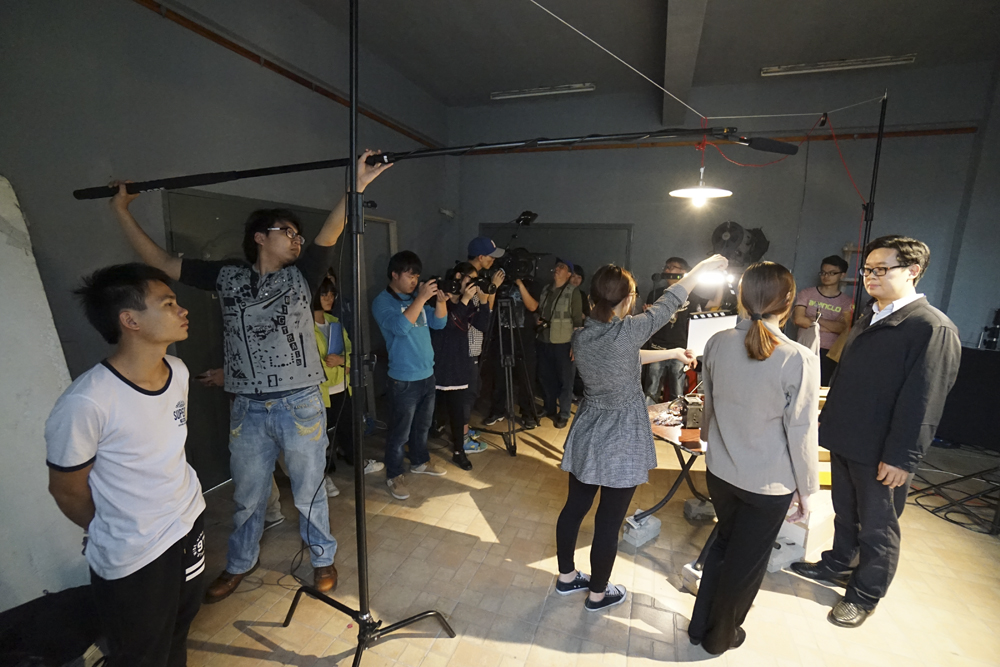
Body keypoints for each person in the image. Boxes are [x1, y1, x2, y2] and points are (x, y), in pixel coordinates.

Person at [109, 151, 390, 602]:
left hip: (299, 403)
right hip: (248, 408)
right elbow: (161, 262)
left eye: (299, 235)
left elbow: (330, 230)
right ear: (260, 237)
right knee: (248, 494)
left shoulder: (303, 276)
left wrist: (356, 185)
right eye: (287, 232)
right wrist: (122, 210)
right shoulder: (227, 277)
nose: (297, 240)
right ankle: (240, 561)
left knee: (310, 490)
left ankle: (322, 557)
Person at [791, 235, 961, 628]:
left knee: (878, 527)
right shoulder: (871, 316)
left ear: (913, 271)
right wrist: (828, 420)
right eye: (868, 269)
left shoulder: (930, 327)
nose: (870, 276)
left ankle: (865, 594)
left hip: (882, 450)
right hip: (847, 437)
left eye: (881, 269)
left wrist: (903, 458)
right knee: (846, 512)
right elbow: (848, 377)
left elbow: (924, 401)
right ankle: (838, 564)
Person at [46, 264, 206, 666]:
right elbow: (67, 490)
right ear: (130, 320)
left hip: (188, 523)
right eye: (167, 303)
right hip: (135, 554)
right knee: (140, 654)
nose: (182, 310)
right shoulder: (87, 402)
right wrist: (112, 528)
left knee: (179, 631)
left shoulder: (179, 372)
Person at [554, 256, 727, 612]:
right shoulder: (629, 330)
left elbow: (622, 355)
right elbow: (672, 298)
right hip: (621, 435)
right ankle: (598, 594)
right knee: (608, 521)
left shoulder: (583, 336)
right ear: (629, 299)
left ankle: (567, 578)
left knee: (574, 508)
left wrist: (673, 352)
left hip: (589, 429)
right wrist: (703, 267)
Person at [688, 262, 820, 655]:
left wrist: (709, 441)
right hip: (768, 483)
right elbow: (802, 431)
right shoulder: (797, 357)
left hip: (721, 470)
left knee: (722, 546)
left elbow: (709, 402)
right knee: (745, 565)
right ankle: (719, 637)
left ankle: (699, 626)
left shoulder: (718, 342)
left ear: (742, 297)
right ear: (788, 301)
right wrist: (807, 490)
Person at [372, 251, 449, 501]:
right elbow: (400, 328)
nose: (414, 281)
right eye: (409, 275)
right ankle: (394, 475)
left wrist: (440, 302)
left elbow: (439, 324)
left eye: (417, 276)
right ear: (394, 274)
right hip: (403, 378)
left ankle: (419, 461)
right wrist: (421, 298)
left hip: (427, 373)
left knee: (422, 426)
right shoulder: (382, 302)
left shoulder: (417, 298)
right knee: (399, 433)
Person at [312, 274, 385, 493]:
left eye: (332, 294)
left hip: (343, 386)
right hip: (320, 391)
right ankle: (321, 477)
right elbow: (313, 363)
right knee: (318, 436)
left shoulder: (334, 322)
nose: (330, 298)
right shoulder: (304, 326)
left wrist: (343, 361)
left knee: (349, 427)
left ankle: (357, 460)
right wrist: (337, 363)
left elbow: (351, 351)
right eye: (324, 294)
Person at [431, 263, 493, 470]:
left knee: (458, 411)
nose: (473, 283)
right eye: (471, 279)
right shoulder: (441, 297)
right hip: (439, 364)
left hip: (459, 363)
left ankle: (459, 451)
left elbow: (482, 325)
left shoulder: (466, 301)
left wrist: (483, 302)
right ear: (459, 276)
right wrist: (465, 300)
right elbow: (450, 324)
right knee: (431, 411)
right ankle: (420, 450)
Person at [642, 257, 710, 404]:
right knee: (651, 390)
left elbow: (713, 303)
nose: (667, 270)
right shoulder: (656, 293)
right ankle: (647, 416)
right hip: (657, 348)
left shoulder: (691, 296)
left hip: (680, 349)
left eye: (672, 267)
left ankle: (675, 417)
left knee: (677, 392)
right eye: (666, 267)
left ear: (683, 271)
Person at [483, 273, 541, 428]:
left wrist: (520, 283)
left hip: (524, 338)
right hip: (502, 336)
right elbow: (488, 306)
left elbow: (533, 306)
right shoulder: (499, 282)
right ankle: (497, 410)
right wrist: (495, 285)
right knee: (499, 375)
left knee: (526, 376)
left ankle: (527, 413)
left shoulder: (531, 284)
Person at [536, 258, 584, 428]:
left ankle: (564, 413)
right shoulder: (546, 290)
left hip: (564, 342)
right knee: (546, 377)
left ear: (569, 274)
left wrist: (575, 346)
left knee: (565, 380)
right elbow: (539, 311)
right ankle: (549, 408)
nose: (557, 269)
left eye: (562, 267)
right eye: (556, 266)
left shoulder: (573, 293)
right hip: (544, 340)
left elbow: (577, 321)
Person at [792, 255, 853, 385]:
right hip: (805, 347)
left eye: (832, 273)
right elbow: (799, 319)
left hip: (829, 352)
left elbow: (843, 328)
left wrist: (815, 320)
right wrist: (831, 325)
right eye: (823, 272)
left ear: (842, 275)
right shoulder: (806, 293)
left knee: (821, 386)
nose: (826, 276)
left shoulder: (847, 301)